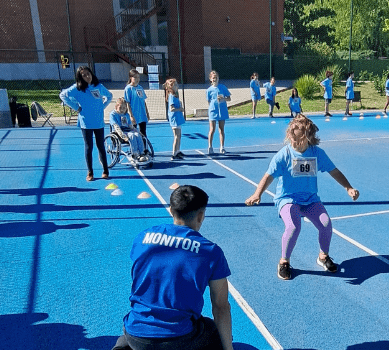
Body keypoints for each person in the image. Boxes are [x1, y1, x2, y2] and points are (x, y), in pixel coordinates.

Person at [111, 185, 234, 350]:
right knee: (211, 329)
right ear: (201, 216)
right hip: (179, 338)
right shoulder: (210, 251)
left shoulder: (142, 237)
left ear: (171, 210)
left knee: (135, 330)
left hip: (136, 335)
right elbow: (221, 306)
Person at [245, 115, 360, 280]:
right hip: (287, 199)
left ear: (308, 138)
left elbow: (333, 171)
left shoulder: (317, 154)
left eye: (297, 138)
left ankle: (323, 256)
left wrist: (348, 187)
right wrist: (257, 194)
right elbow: (268, 176)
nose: (293, 141)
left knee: (326, 224)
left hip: (311, 199)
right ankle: (284, 261)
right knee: (293, 226)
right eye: (291, 137)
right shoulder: (283, 155)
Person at [59, 66, 113, 181]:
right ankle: (90, 172)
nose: (87, 76)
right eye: (84, 75)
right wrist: (76, 107)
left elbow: (109, 96)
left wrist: (102, 106)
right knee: (89, 147)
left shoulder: (98, 86)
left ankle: (105, 170)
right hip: (86, 123)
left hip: (98, 122)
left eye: (88, 74)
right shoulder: (77, 88)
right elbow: (63, 95)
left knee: (101, 146)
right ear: (80, 77)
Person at [109, 98, 148, 162]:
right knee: (132, 135)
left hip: (128, 130)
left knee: (137, 135)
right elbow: (116, 127)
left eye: (124, 108)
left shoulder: (126, 114)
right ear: (116, 106)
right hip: (118, 132)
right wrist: (123, 136)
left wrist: (137, 131)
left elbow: (130, 126)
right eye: (120, 107)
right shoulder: (113, 114)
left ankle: (142, 153)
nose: (122, 110)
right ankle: (135, 154)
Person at [206, 71, 231, 155]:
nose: (215, 79)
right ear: (210, 79)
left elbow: (229, 98)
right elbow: (209, 101)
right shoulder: (209, 90)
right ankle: (210, 147)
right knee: (212, 129)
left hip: (222, 110)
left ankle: (222, 147)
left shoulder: (222, 87)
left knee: (221, 129)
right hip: (213, 111)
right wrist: (213, 107)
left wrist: (223, 98)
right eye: (213, 78)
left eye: (216, 77)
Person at [124, 69, 150, 144]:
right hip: (134, 114)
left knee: (143, 133)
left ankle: (145, 150)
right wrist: (131, 116)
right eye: (135, 77)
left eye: (138, 77)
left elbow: (144, 101)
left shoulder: (140, 88)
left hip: (142, 114)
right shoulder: (128, 89)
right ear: (130, 78)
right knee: (134, 134)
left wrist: (147, 113)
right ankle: (135, 151)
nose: (137, 79)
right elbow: (127, 103)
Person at [165, 78, 186, 160]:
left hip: (178, 117)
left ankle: (178, 151)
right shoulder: (171, 97)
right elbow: (171, 108)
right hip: (175, 118)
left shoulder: (175, 95)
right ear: (171, 87)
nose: (177, 86)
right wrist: (180, 109)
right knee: (176, 136)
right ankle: (173, 154)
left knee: (179, 135)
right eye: (175, 85)